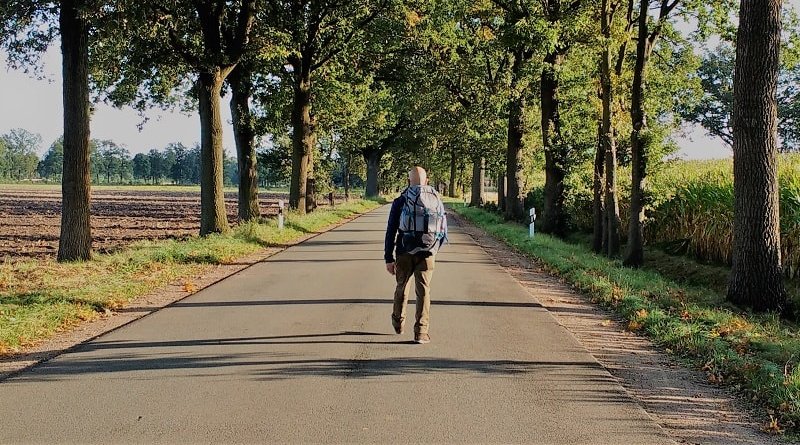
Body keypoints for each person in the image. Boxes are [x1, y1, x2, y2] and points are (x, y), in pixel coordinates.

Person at [384, 166, 447, 344]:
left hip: (404, 251)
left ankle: (398, 321)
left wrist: (389, 258)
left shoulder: (400, 201)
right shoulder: (436, 199)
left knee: (402, 287)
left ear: (408, 181)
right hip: (428, 251)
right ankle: (421, 332)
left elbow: (391, 231)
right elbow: (443, 228)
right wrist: (434, 249)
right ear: (427, 181)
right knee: (424, 291)